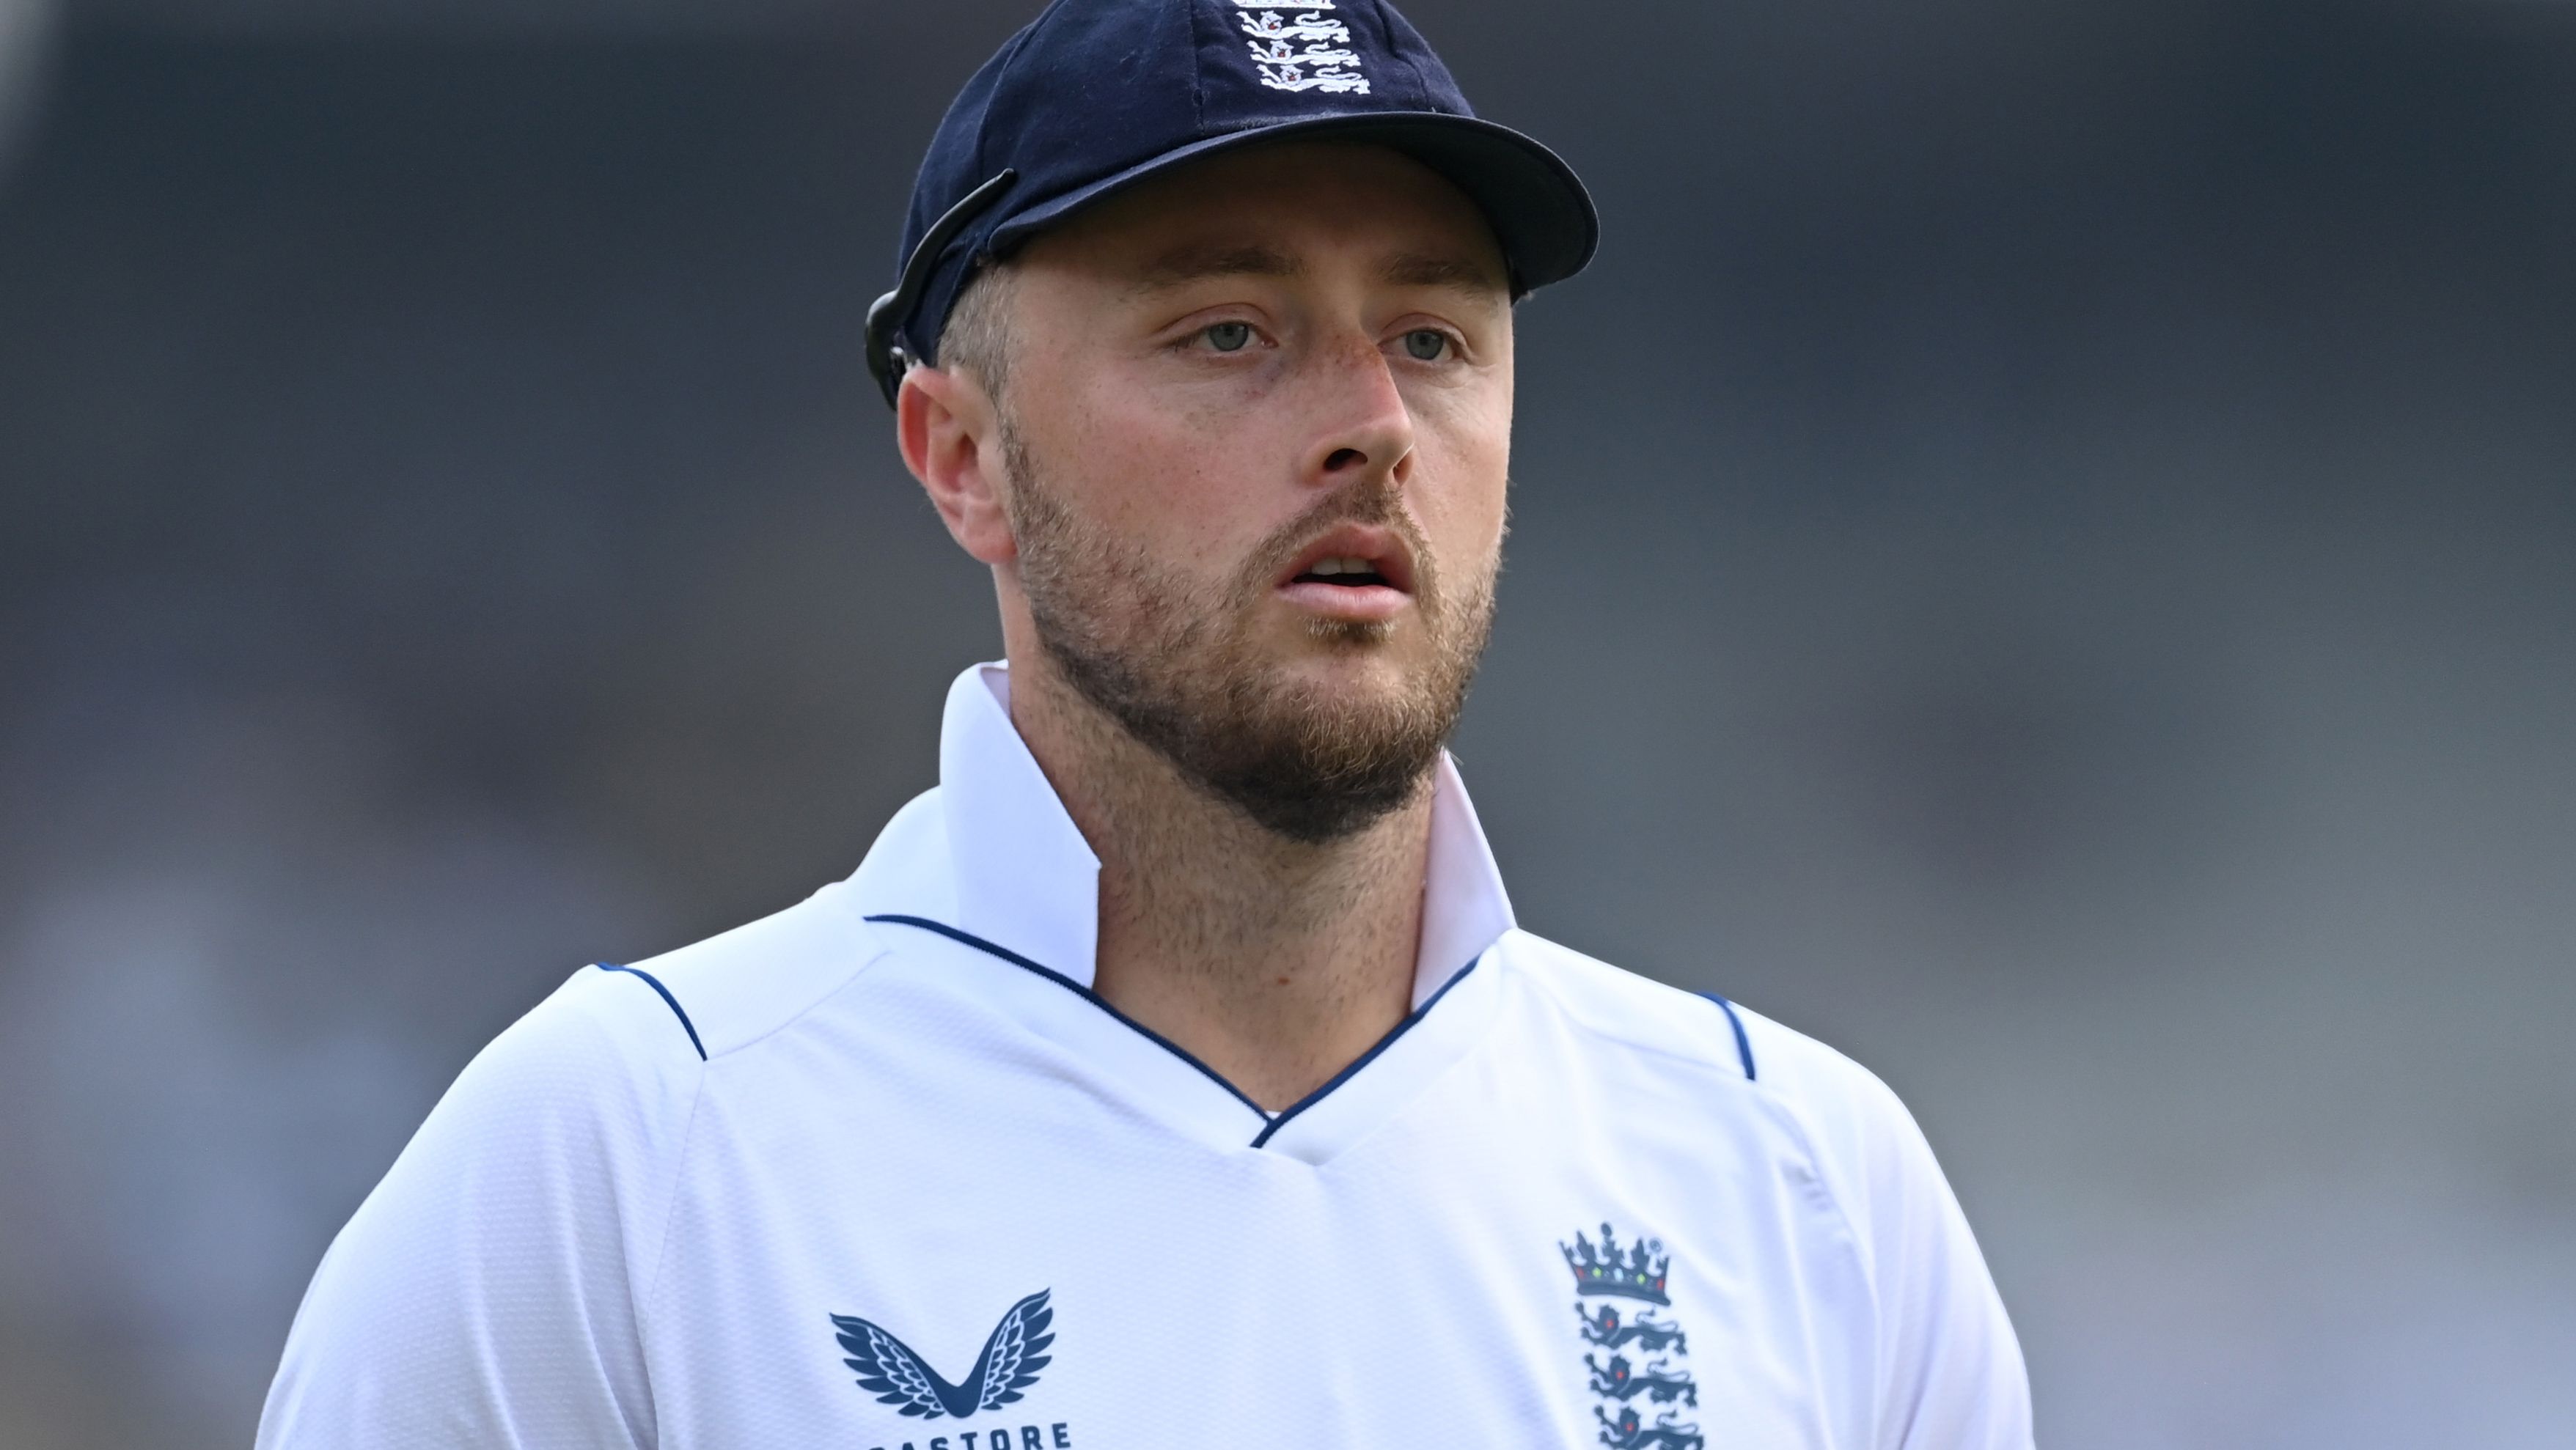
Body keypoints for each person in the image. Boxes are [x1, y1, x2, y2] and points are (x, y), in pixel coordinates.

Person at [256, 1, 2033, 1446]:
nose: (1370, 426)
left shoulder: (1804, 1183)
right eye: (1227, 331)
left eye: (1431, 338)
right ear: (962, 459)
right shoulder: (618, 1161)